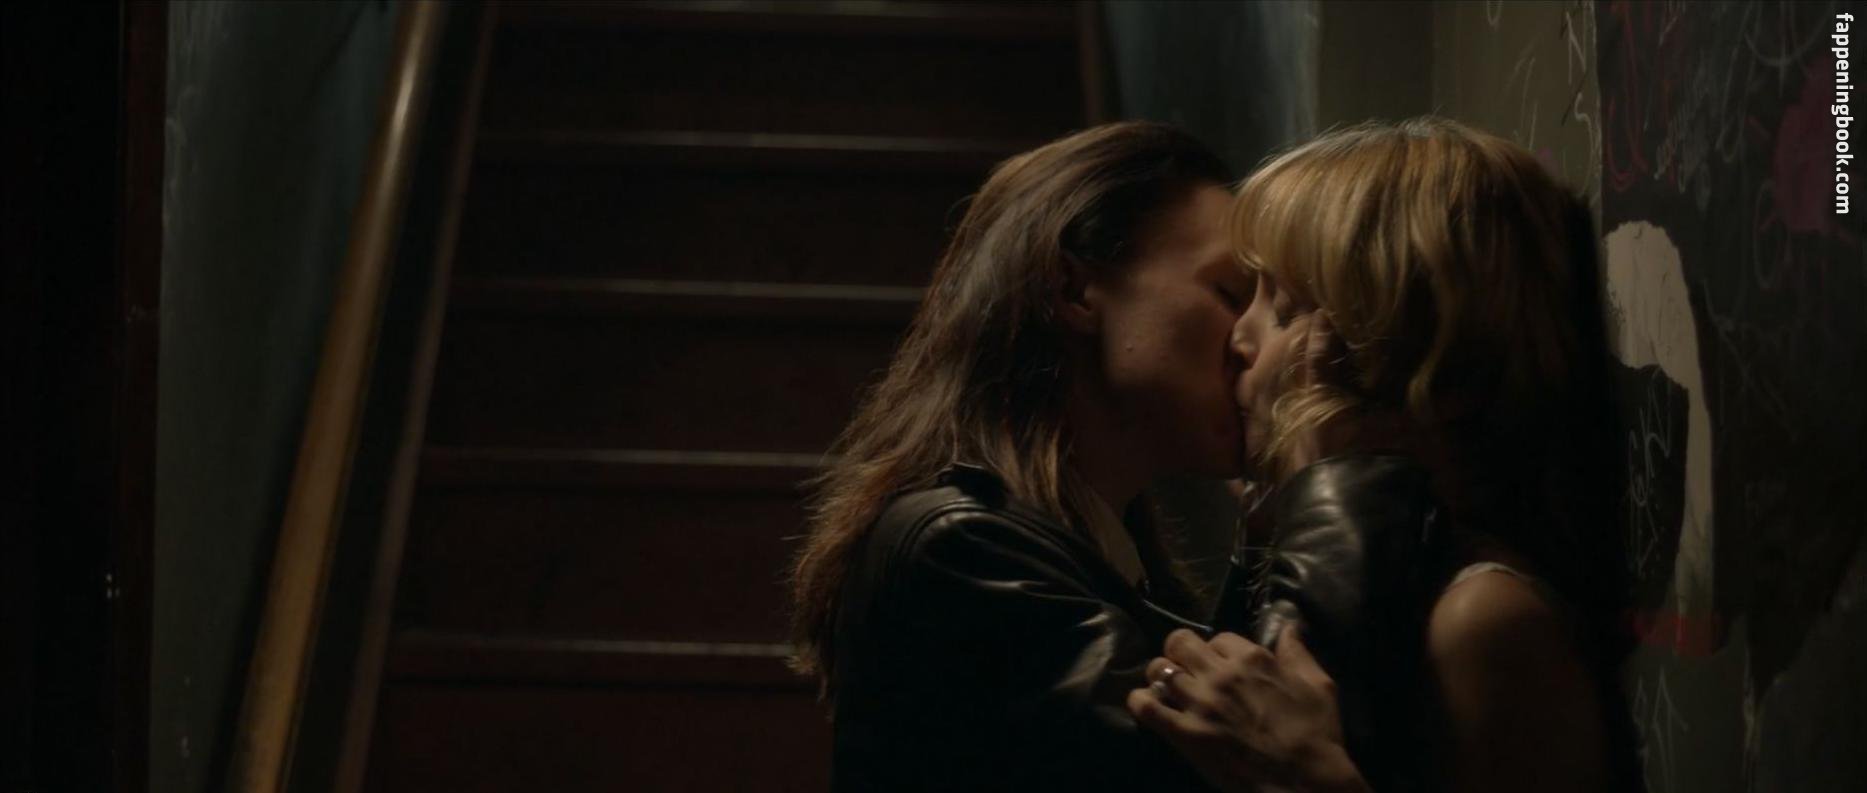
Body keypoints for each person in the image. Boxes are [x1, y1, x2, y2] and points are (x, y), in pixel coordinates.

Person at [1127, 118, 1640, 793]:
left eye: (1284, 308)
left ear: (1418, 362)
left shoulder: (1481, 617)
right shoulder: (1388, 575)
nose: (1238, 339)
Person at [787, 121, 1251, 792]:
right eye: (1230, 294)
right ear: (1073, 289)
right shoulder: (963, 548)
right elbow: (1219, 773)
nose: (1251, 340)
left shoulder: (1104, 554)